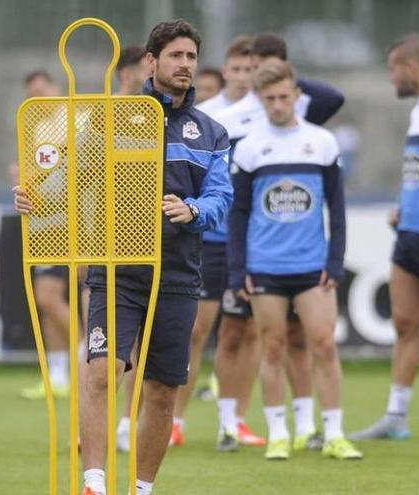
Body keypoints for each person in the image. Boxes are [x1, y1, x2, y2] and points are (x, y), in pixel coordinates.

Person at [16, 19, 232, 495]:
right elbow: (74, 182)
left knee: (162, 390)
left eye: (191, 57)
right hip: (116, 269)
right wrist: (39, 202)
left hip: (177, 274)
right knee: (102, 371)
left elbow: (221, 199)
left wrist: (192, 209)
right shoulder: (111, 118)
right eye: (175, 56)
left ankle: (141, 489)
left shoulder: (212, 132)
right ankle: (94, 482)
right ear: (151, 62)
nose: (185, 66)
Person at [210, 32, 346, 453]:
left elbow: (336, 209)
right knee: (262, 343)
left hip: (310, 263)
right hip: (261, 262)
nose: (277, 105)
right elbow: (239, 211)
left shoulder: (320, 140)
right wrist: (239, 269)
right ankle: (269, 432)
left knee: (319, 342)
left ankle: (329, 431)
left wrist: (335, 261)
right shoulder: (244, 142)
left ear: (294, 94)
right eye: (269, 98)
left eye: (284, 97)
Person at [163, 34, 266, 450]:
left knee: (243, 331)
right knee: (196, 330)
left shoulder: (269, 112)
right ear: (224, 71)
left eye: (251, 69)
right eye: (237, 68)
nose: (244, 76)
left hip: (251, 240)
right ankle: (175, 420)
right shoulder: (204, 117)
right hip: (207, 238)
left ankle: (232, 421)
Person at [350, 33, 419, 441]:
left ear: (410, 67)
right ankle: (396, 416)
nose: (392, 77)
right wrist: (404, 207)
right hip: (409, 232)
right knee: (405, 323)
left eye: (393, 68)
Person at [17, 69, 74, 400]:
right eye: (32, 95)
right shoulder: (34, 125)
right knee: (48, 300)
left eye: (43, 91)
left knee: (51, 297)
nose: (38, 99)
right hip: (41, 220)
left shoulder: (74, 121)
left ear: (56, 88)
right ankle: (57, 374)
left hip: (69, 220)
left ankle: (85, 350)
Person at [111, 44, 156, 453]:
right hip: (107, 247)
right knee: (102, 352)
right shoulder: (104, 116)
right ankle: (96, 424)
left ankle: (129, 422)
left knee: (143, 349)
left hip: (153, 245)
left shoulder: (157, 118)